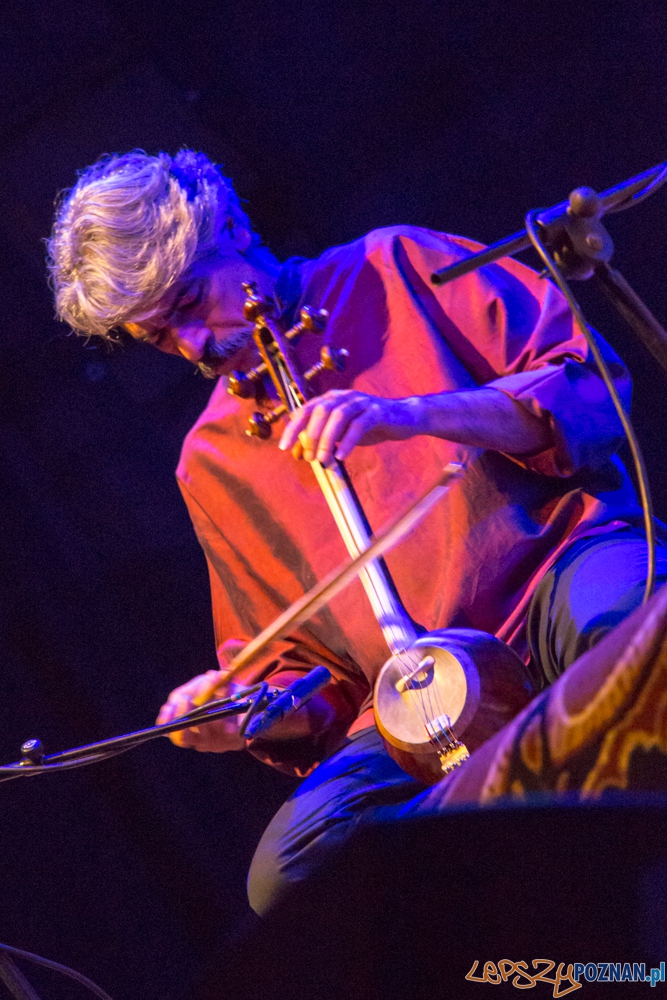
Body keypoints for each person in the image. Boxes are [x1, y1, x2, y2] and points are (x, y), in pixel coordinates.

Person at [48, 149, 667, 914]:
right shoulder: (209, 463)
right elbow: (301, 676)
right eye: (159, 340)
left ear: (231, 227)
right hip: (412, 700)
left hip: (553, 577)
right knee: (292, 869)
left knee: (630, 630)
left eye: (186, 303)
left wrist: (407, 415)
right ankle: (548, 940)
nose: (195, 348)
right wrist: (249, 715)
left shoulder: (395, 263)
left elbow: (581, 386)